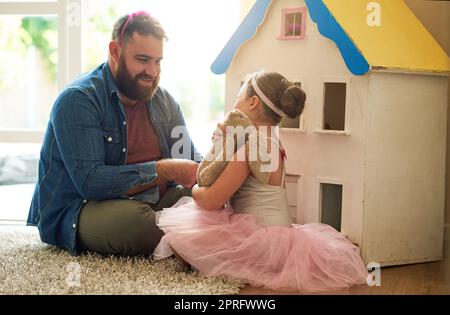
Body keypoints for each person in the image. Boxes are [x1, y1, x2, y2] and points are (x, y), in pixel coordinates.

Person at [154, 71, 369, 292]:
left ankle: (230, 263)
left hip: (262, 245)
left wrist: (195, 186)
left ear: (253, 102)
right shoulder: (272, 141)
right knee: (190, 235)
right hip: (281, 237)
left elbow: (211, 201)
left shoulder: (252, 148)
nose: (235, 102)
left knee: (180, 236)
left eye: (239, 96)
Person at [27, 12, 202, 257]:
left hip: (155, 203)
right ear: (115, 51)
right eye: (143, 60)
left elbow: (190, 159)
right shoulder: (79, 100)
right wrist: (167, 170)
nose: (152, 71)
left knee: (207, 199)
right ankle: (186, 234)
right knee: (138, 226)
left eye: (158, 61)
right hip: (86, 207)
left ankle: (180, 232)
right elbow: (90, 182)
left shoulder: (165, 101)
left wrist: (221, 166)